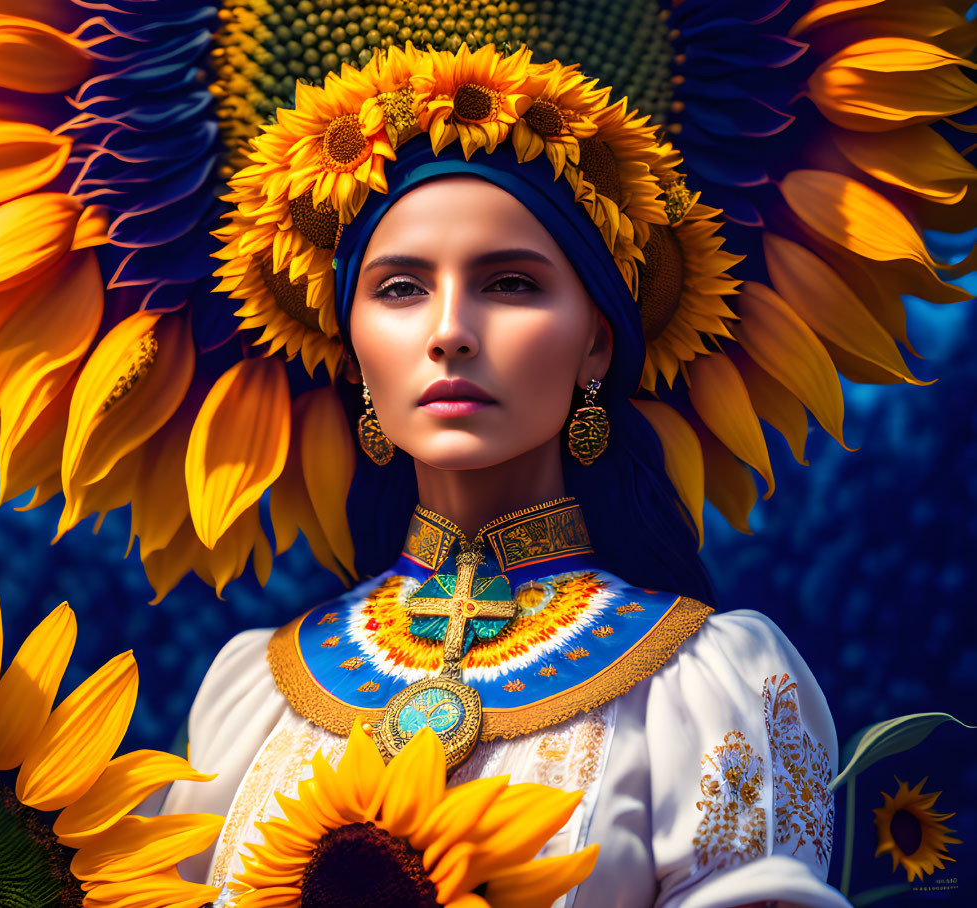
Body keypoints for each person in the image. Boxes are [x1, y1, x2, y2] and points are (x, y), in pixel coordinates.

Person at [157, 44, 852, 907]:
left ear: (595, 340)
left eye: (511, 283)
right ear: (353, 350)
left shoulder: (707, 686)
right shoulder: (254, 692)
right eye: (401, 288)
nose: (449, 331)